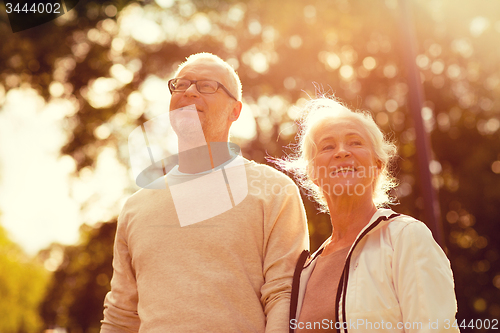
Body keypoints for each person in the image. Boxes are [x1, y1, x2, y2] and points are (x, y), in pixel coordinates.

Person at [100, 53, 309, 332]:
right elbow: (121, 315)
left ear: (235, 111)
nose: (189, 92)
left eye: (207, 86)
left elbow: (284, 296)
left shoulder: (274, 191)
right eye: (181, 84)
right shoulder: (135, 207)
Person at [280, 97, 459, 332]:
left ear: (377, 165)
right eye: (328, 146)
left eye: (355, 143)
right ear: (313, 172)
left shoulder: (406, 237)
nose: (342, 152)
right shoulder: (304, 270)